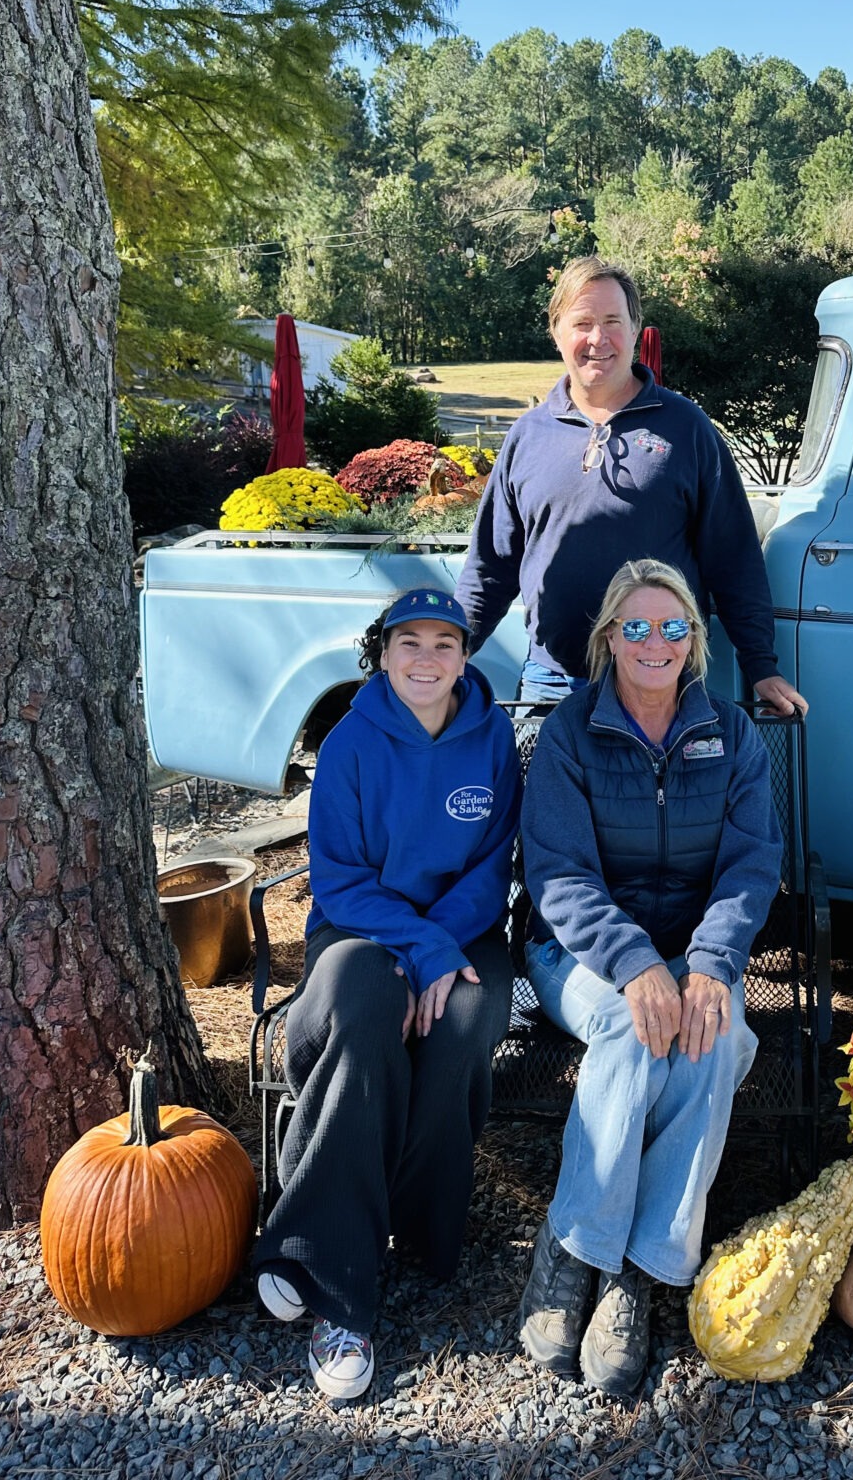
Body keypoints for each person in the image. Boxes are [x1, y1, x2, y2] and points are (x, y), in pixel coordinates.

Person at [515, 558, 783, 1395]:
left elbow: (751, 868)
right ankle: (572, 1253)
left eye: (672, 627)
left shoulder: (731, 736)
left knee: (708, 1039)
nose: (654, 641)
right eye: (635, 626)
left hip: (694, 956)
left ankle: (636, 1271)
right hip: (580, 953)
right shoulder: (569, 738)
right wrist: (635, 965)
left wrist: (707, 966)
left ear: (694, 643)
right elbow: (557, 875)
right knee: (636, 1030)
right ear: (607, 641)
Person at [251, 588, 520, 1401]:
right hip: (362, 933)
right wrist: (417, 951)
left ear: (465, 656)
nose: (428, 659)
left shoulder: (492, 734)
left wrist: (443, 950)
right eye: (411, 643)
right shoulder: (349, 744)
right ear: (383, 652)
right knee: (365, 1017)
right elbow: (338, 880)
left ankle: (425, 1229)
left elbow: (492, 866)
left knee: (463, 1028)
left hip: (466, 932)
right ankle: (333, 1277)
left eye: (446, 643)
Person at [454, 255, 808, 717]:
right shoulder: (528, 436)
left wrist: (761, 665)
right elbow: (489, 570)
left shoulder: (686, 428)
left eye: (612, 322)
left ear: (636, 330)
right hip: (552, 686)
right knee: (544, 793)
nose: (597, 339)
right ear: (556, 331)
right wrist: (448, 650)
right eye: (582, 322)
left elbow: (734, 559)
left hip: (660, 683)